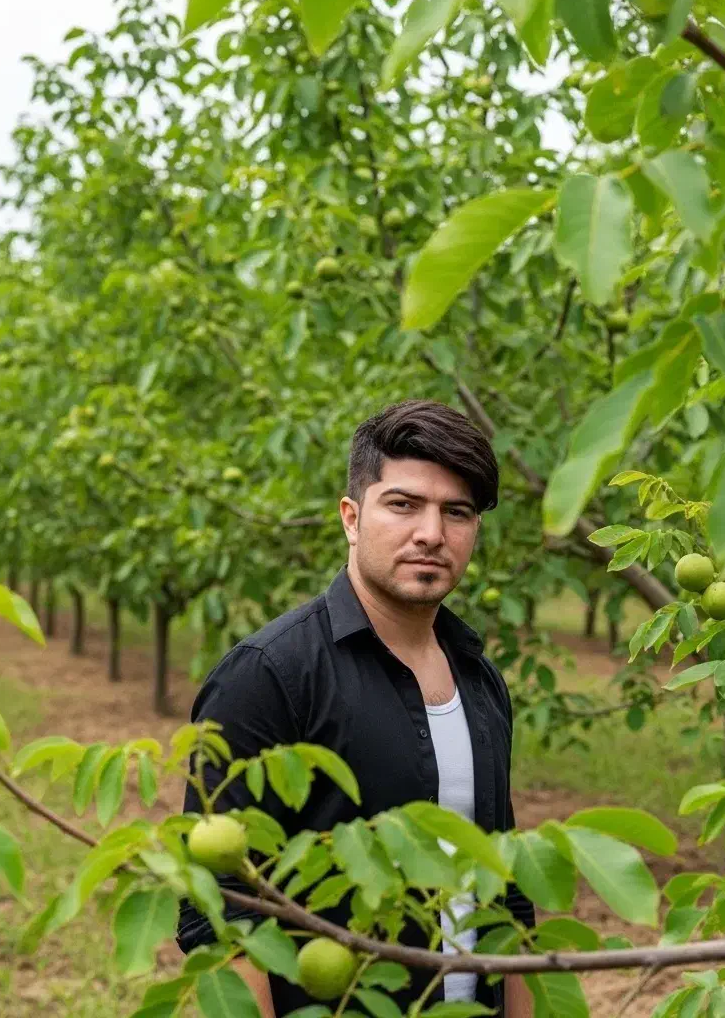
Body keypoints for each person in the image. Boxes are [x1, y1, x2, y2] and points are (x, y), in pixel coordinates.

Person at [176, 399, 535, 1016]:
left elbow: (508, 891)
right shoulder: (270, 674)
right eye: (403, 504)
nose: (431, 533)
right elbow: (221, 903)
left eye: (456, 512)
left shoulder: (480, 679)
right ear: (351, 517)